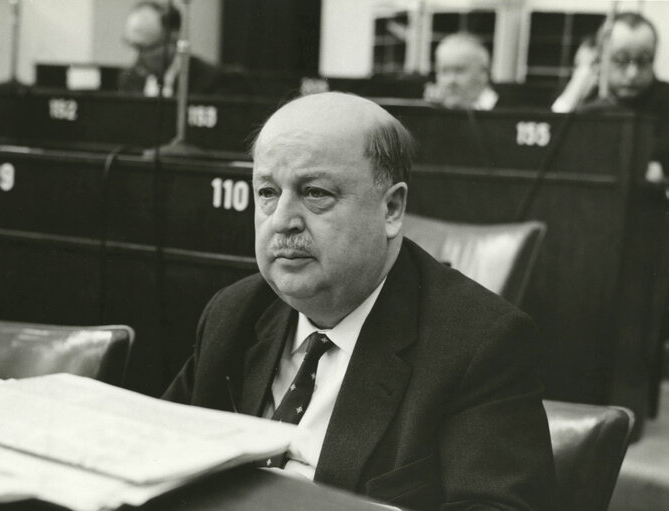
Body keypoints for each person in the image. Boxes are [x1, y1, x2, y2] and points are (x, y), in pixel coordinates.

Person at [163, 92, 558, 511]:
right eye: (267, 192)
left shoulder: (480, 343)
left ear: (391, 208)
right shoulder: (235, 311)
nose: (281, 220)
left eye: (314, 193)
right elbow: (157, 456)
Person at [552, 12, 669, 181]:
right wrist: (574, 91)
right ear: (600, 59)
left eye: (643, 61)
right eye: (620, 60)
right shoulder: (579, 97)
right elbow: (546, 153)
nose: (632, 74)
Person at [118, 1, 222, 97]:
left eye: (146, 49)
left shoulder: (209, 80)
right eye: (132, 46)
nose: (136, 57)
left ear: (173, 39)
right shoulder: (128, 80)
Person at [424, 32, 499, 110]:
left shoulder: (505, 111)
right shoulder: (430, 111)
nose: (451, 81)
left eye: (459, 71)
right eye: (444, 71)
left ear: (483, 73)